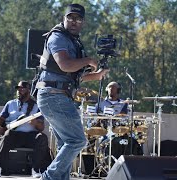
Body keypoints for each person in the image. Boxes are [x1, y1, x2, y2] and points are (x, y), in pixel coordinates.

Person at [35, 3, 109, 180]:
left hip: (57, 95)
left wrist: (97, 75)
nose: (74, 21)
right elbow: (65, 65)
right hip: (53, 96)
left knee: (65, 145)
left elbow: (73, 76)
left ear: (83, 22)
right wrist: (88, 60)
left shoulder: (72, 41)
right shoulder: (58, 37)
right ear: (64, 19)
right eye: (70, 17)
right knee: (77, 141)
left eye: (78, 19)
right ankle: (47, 177)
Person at [0, 81, 51, 178]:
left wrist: (35, 123)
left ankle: (36, 169)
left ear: (29, 91)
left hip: (31, 136)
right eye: (18, 89)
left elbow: (42, 127)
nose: (19, 91)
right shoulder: (10, 104)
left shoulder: (36, 106)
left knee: (42, 137)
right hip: (15, 135)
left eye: (22, 88)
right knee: (7, 134)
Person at [96, 81, 143, 160]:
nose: (111, 89)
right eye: (109, 87)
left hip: (122, 130)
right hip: (106, 131)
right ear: (106, 90)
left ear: (118, 90)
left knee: (137, 138)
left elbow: (128, 118)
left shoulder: (124, 103)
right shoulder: (100, 104)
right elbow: (95, 118)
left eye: (113, 87)